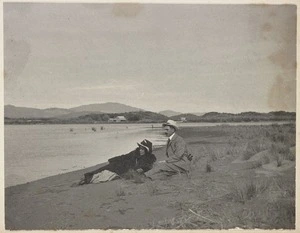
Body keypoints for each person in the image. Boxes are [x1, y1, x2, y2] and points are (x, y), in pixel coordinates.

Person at [79, 139, 156, 185]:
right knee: (105, 167)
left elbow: (148, 166)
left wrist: (143, 169)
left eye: (143, 149)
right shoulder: (135, 153)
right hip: (122, 165)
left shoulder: (149, 158)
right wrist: (112, 159)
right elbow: (124, 156)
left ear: (146, 150)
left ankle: (88, 179)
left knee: (108, 173)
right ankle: (88, 176)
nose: (140, 150)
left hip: (125, 170)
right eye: (140, 148)